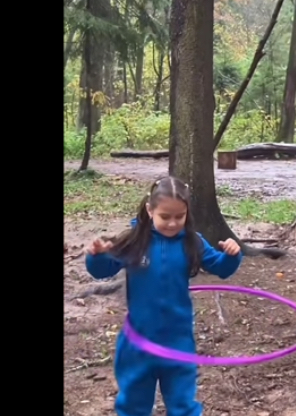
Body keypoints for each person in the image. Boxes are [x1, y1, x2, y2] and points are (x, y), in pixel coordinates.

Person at [86, 175, 243, 416]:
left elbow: (221, 268)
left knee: (183, 407)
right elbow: (101, 271)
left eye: (179, 217)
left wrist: (232, 255)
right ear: (150, 210)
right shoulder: (134, 241)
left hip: (178, 342)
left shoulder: (193, 242)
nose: (172, 223)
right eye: (165, 217)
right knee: (133, 407)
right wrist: (96, 256)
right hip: (137, 344)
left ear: (187, 212)